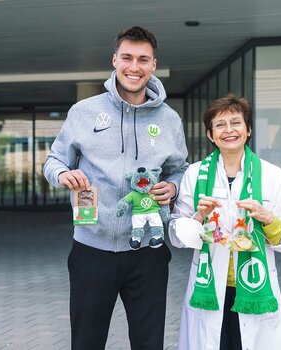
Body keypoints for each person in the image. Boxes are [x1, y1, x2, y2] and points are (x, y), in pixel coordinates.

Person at [44, 26, 188, 350]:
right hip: (91, 251)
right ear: (114, 60)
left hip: (148, 253)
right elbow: (54, 160)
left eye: (142, 59)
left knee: (149, 342)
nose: (133, 67)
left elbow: (180, 169)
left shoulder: (169, 120)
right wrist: (62, 175)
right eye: (127, 58)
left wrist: (173, 188)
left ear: (153, 65)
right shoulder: (84, 112)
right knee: (86, 342)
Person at [169, 95, 281, 350]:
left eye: (235, 122)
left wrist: (268, 219)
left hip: (254, 289)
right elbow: (176, 235)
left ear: (248, 129)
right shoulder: (195, 174)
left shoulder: (272, 175)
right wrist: (198, 217)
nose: (229, 130)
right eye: (220, 125)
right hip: (209, 291)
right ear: (210, 135)